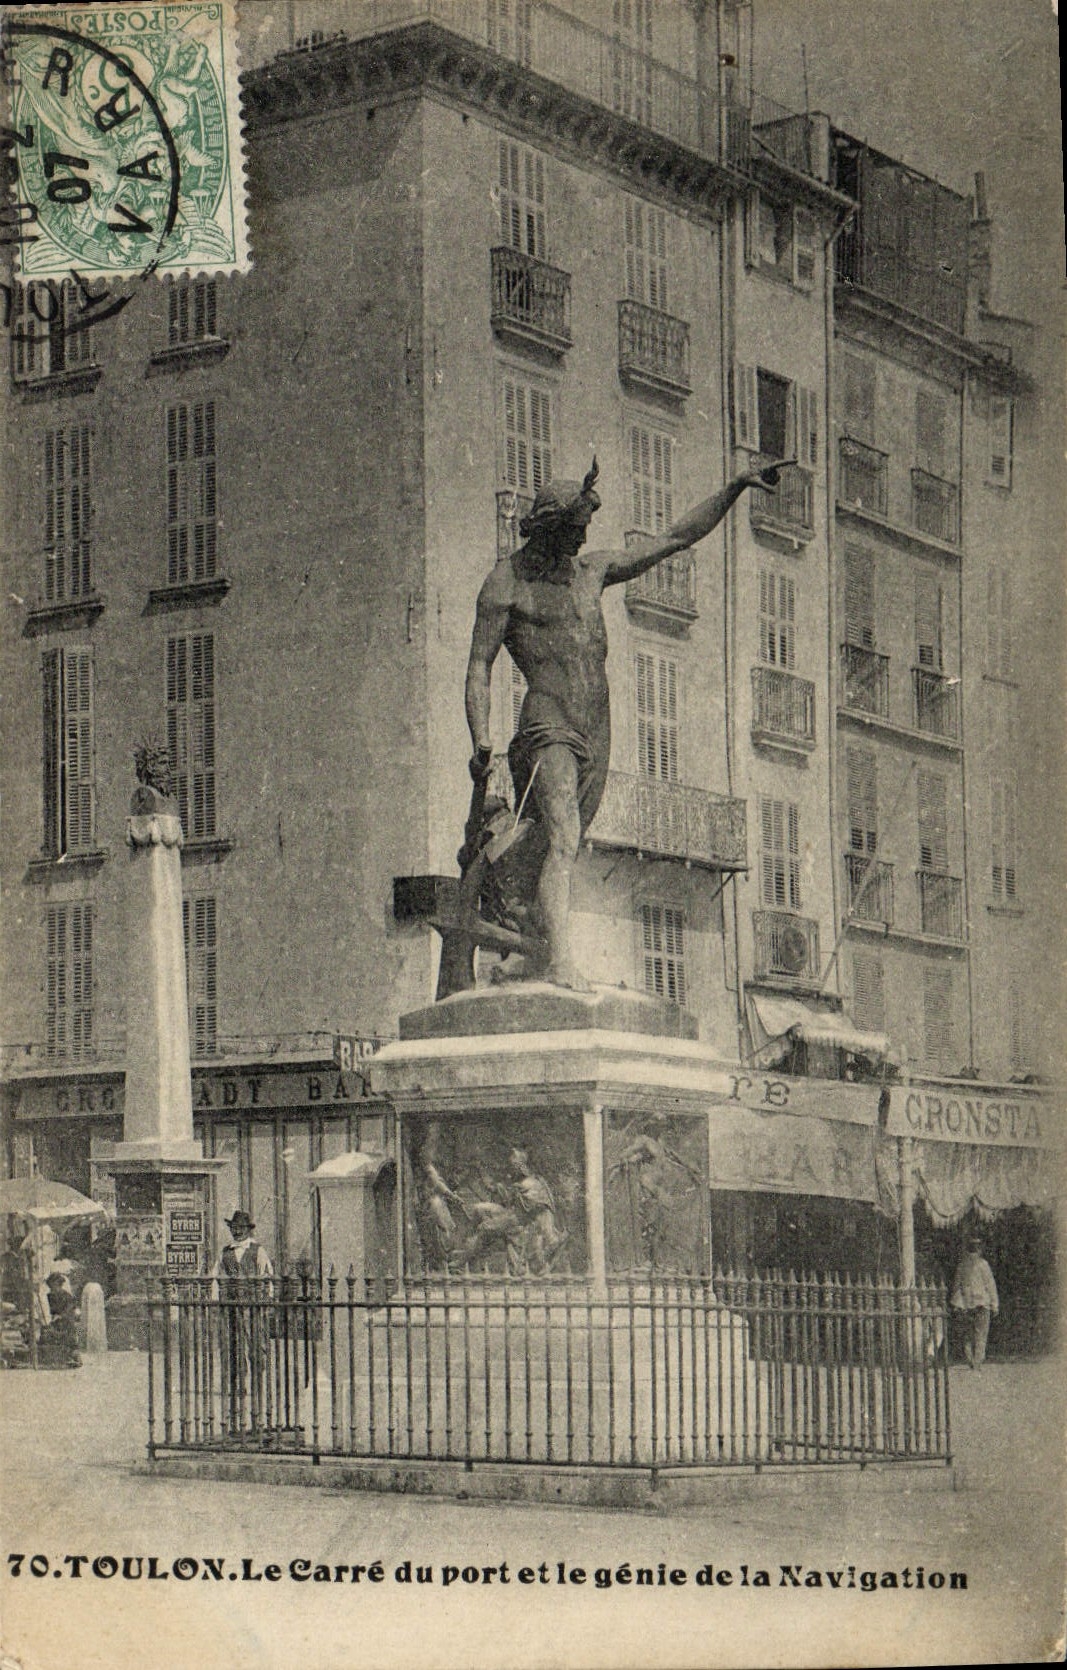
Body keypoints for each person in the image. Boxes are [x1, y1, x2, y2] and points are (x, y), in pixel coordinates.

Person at [463, 456, 780, 991]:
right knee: (563, 836)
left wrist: (733, 488)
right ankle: (562, 963)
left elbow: (675, 538)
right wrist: (482, 738)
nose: (584, 541)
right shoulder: (506, 584)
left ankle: (536, 950)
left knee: (556, 842)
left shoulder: (593, 572)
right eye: (577, 530)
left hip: (595, 729)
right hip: (548, 724)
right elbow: (479, 666)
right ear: (552, 527)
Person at [211, 1211, 273, 1433]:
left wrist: (264, 1303)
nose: (236, 1231)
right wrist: (217, 1300)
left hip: (252, 1308)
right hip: (230, 1308)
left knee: (256, 1348)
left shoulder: (257, 1250)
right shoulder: (225, 1253)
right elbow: (216, 1279)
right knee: (232, 1348)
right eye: (233, 1228)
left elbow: (267, 1278)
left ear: (248, 1230)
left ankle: (259, 1389)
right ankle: (237, 1388)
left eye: (241, 1228)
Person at [951, 1235, 999, 1369]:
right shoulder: (983, 1264)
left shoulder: (962, 1265)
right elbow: (990, 1285)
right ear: (979, 1249)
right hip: (982, 1303)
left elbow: (956, 1285)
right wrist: (995, 1304)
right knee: (981, 1333)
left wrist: (956, 1303)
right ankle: (978, 1360)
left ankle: (970, 1358)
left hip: (965, 1303)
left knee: (967, 1333)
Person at [38, 1271, 80, 1368]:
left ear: (59, 1285)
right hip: (55, 1323)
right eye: (50, 1287)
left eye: (54, 1286)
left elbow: (70, 1311)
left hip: (67, 1324)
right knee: (45, 1333)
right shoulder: (50, 1296)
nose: (52, 1289)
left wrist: (60, 1316)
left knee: (68, 1338)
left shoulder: (67, 1296)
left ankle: (71, 1357)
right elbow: (50, 1312)